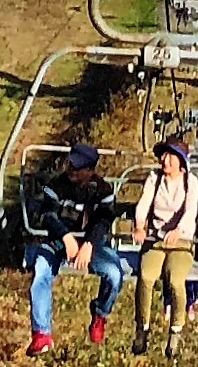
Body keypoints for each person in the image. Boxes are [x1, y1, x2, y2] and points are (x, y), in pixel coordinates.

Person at [15, 143, 123, 354]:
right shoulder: (56, 186)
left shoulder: (103, 190)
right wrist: (65, 237)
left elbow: (104, 220)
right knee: (41, 272)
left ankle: (100, 313)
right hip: (57, 241)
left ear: (90, 170)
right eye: (70, 165)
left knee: (114, 274)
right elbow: (48, 215)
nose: (71, 170)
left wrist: (89, 244)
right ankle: (41, 333)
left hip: (90, 245)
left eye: (77, 167)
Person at [124, 138, 198, 355]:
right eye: (163, 156)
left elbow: (190, 212)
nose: (165, 161)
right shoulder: (154, 179)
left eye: (170, 157)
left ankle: (175, 330)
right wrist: (140, 226)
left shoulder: (190, 182)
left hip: (181, 241)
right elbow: (143, 204)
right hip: (156, 239)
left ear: (181, 161)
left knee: (176, 279)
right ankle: (142, 327)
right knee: (146, 276)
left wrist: (179, 231)